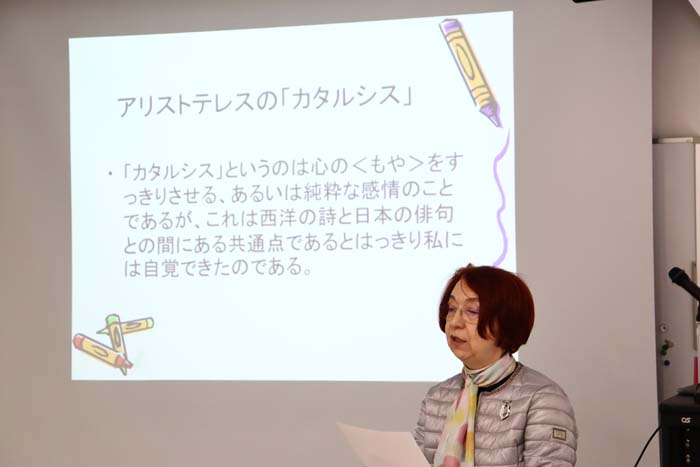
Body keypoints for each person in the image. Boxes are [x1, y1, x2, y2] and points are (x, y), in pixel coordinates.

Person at [413, 265, 577, 467]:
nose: (455, 322)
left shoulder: (543, 399)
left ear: (507, 321)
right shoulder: (437, 398)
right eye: (452, 309)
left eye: (472, 311)